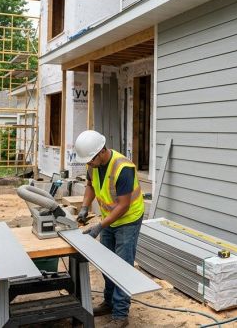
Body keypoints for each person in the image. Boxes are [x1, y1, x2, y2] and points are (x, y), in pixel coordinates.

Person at [74, 129, 145, 328]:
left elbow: (123, 205)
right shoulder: (93, 165)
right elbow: (90, 185)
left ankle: (121, 315)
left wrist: (99, 227)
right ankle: (109, 302)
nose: (89, 164)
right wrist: (85, 207)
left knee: (122, 267)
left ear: (101, 151)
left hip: (128, 220)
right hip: (109, 220)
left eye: (90, 160)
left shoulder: (123, 168)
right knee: (107, 263)